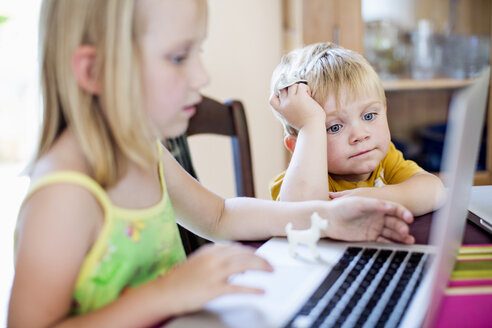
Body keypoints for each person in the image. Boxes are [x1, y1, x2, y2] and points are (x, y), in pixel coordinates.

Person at [8, 2, 415, 327]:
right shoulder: (64, 196)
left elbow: (220, 216)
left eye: (197, 52)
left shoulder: (143, 150)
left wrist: (326, 217)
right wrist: (168, 293)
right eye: (179, 56)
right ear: (93, 70)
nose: (201, 75)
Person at [269, 42, 445, 216]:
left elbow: (435, 190)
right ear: (297, 147)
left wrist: (378, 198)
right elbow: (301, 217)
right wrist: (311, 124)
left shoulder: (385, 160)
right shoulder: (294, 184)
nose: (360, 135)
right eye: (335, 127)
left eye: (368, 116)